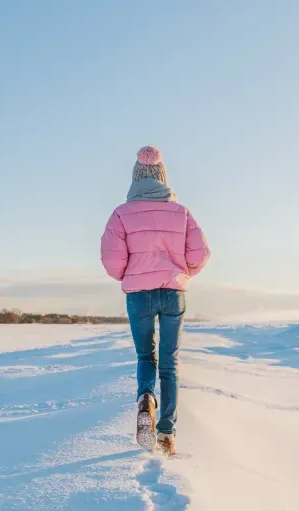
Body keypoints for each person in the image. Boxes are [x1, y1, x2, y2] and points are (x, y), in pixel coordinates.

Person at [100, 146, 211, 456]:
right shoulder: (182, 213)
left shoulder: (121, 214)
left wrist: (129, 273)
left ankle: (146, 398)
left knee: (145, 357)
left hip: (138, 295)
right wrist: (182, 271)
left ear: (135, 179)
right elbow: (200, 254)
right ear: (163, 178)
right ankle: (166, 433)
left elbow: (111, 260)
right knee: (170, 364)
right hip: (173, 293)